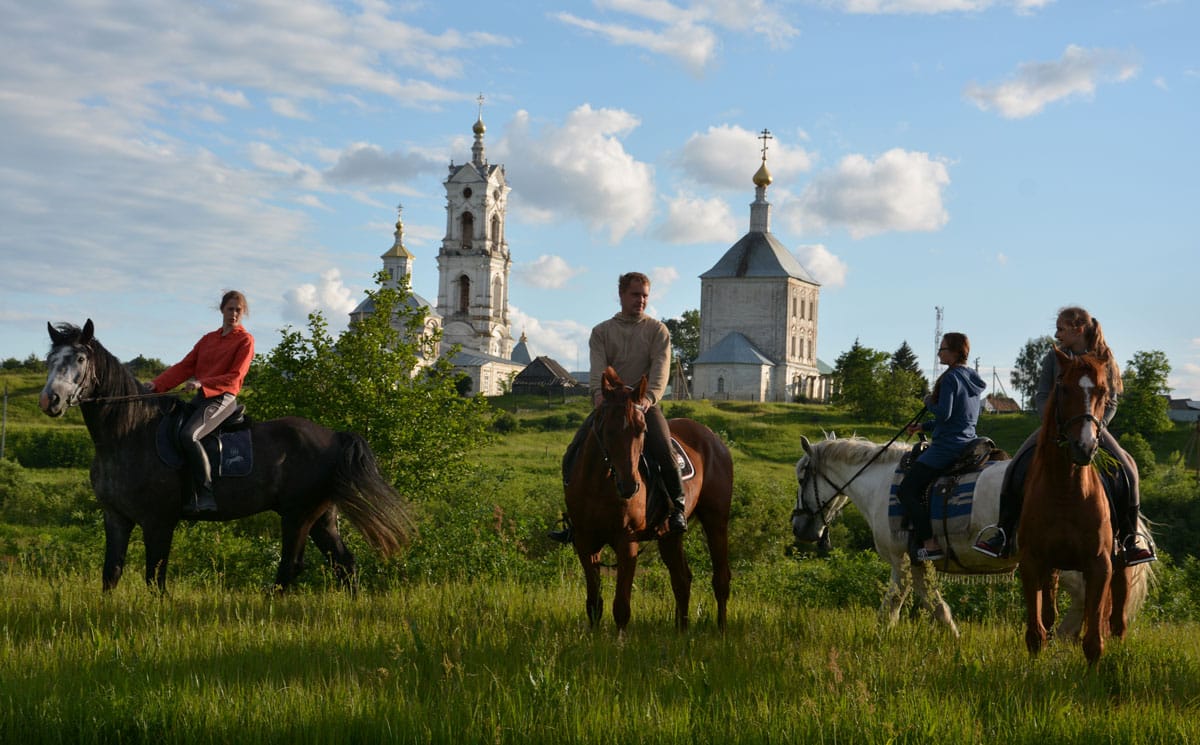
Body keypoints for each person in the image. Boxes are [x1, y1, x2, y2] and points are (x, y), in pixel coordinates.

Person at [973, 307, 1155, 564]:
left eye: (1060, 329)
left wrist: (1096, 426)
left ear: (1077, 328)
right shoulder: (1054, 357)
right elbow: (1042, 394)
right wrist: (1051, 423)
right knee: (1015, 466)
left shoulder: (1104, 358)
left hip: (1094, 428)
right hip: (1057, 425)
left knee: (1128, 472)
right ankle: (1003, 532)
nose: (1057, 335)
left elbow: (1111, 401)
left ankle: (1130, 539)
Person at [549, 272, 686, 542]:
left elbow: (660, 371)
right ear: (622, 295)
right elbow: (598, 368)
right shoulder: (601, 332)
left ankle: (677, 508)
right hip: (610, 406)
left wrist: (648, 399)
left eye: (645, 295)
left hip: (643, 406)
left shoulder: (658, 331)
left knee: (664, 450)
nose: (641, 300)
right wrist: (599, 394)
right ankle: (575, 522)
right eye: (636, 294)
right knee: (573, 453)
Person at [147, 290, 254, 514]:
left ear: (243, 313)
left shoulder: (245, 340)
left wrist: (200, 383)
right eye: (230, 309)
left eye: (238, 310)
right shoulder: (208, 339)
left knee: (189, 435)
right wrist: (155, 385)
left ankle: (206, 495)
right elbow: (185, 367)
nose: (234, 314)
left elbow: (235, 376)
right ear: (222, 309)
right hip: (202, 398)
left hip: (223, 398)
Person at [896, 332, 986, 562]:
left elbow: (944, 413)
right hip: (968, 441)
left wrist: (928, 402)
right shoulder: (972, 378)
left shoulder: (950, 378)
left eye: (943, 349)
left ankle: (929, 543)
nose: (939, 353)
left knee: (905, 491)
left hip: (946, 447)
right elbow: (955, 416)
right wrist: (922, 426)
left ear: (955, 352)